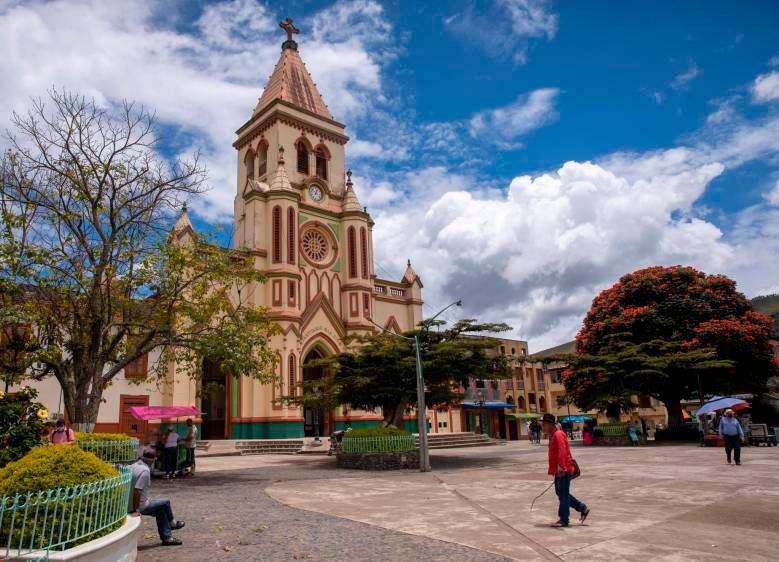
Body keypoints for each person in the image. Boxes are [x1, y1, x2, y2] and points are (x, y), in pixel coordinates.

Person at [542, 413, 589, 527]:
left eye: (543, 425)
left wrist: (561, 467)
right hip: (559, 469)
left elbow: (562, 451)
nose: (542, 427)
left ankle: (564, 519)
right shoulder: (553, 435)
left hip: (563, 469)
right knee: (561, 493)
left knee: (563, 494)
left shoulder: (558, 434)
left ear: (549, 424)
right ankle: (582, 508)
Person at [129, 449, 185, 546]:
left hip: (128, 503)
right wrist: (136, 510)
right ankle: (172, 523)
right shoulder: (145, 471)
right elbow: (137, 490)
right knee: (165, 502)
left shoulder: (132, 466)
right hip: (139, 506)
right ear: (152, 460)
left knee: (161, 510)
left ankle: (167, 538)